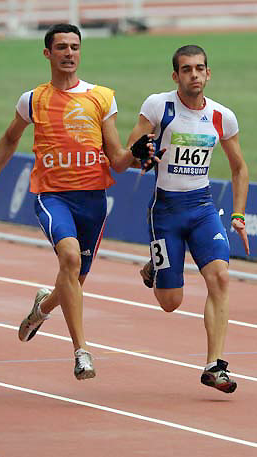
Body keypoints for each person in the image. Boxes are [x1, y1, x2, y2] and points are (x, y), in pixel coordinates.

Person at [0, 23, 153, 381]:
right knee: (69, 258)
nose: (69, 53)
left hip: (93, 200)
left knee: (73, 282)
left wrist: (136, 156)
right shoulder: (33, 99)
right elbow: (9, 139)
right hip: (51, 195)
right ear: (48, 54)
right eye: (61, 47)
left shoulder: (101, 97)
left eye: (75, 47)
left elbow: (116, 158)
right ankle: (81, 352)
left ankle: (42, 307)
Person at [127, 45, 249, 393]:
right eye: (186, 69)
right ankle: (155, 265)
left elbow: (239, 168)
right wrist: (141, 152)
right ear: (175, 76)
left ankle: (215, 366)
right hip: (165, 211)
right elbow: (133, 147)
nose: (194, 74)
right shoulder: (159, 106)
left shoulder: (222, 116)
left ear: (208, 73)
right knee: (171, 302)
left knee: (221, 278)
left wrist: (238, 214)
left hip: (202, 208)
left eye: (199, 68)